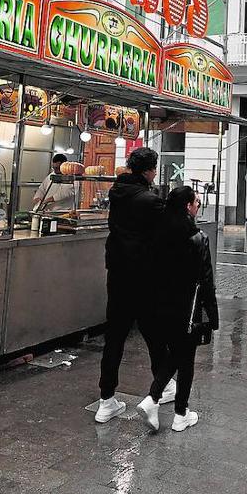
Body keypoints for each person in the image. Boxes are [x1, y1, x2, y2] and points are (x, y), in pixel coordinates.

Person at [95, 147, 174, 422]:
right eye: (154, 169)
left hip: (117, 275)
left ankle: (106, 401)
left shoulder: (116, 192)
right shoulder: (149, 200)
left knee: (114, 337)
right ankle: (163, 385)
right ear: (149, 170)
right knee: (153, 333)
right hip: (143, 276)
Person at [136, 186, 219, 432]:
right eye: (196, 202)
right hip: (187, 308)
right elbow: (206, 282)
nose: (198, 205)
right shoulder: (197, 238)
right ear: (187, 207)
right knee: (186, 357)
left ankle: (157, 401)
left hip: (157, 305)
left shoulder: (155, 231)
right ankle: (177, 412)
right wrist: (212, 316)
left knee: (178, 354)